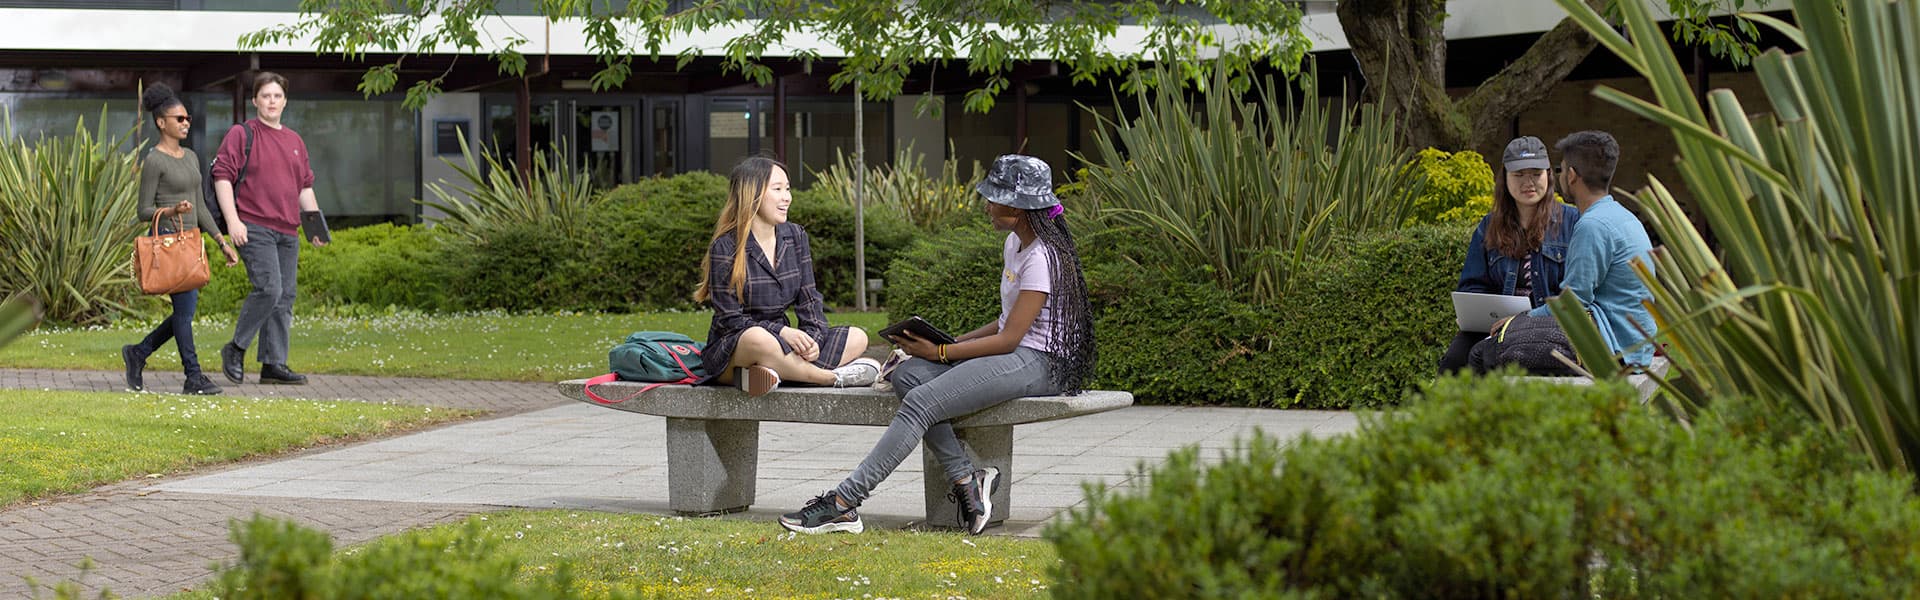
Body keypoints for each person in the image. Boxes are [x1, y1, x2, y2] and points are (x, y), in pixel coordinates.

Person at [778, 154, 1097, 536]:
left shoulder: (1043, 256)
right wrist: (943, 343)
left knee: (921, 402)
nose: (986, 205)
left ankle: (844, 503)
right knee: (910, 375)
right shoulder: (1016, 243)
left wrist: (942, 354)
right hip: (1015, 352)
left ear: (1018, 208)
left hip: (1040, 363)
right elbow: (1004, 321)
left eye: (994, 199)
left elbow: (1011, 338)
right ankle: (967, 482)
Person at [1470, 130, 1657, 373]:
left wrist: (1518, 321)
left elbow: (1572, 305)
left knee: (1482, 353)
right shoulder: (1621, 216)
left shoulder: (1592, 225)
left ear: (1570, 176)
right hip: (1632, 343)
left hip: (1615, 347)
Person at [695, 156, 880, 396]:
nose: (787, 197)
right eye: (778, 189)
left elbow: (809, 299)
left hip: (784, 346)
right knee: (758, 339)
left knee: (857, 337)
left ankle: (770, 374)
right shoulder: (725, 247)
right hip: (738, 345)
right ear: (753, 194)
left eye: (788, 189)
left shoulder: (795, 236)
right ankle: (827, 378)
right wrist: (781, 332)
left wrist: (812, 339)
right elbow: (730, 320)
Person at [121, 83, 240, 395]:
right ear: (162, 123)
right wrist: (172, 209)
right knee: (184, 313)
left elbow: (200, 205)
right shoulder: (155, 161)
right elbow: (143, 211)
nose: (186, 122)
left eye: (187, 118)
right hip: (169, 241)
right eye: (180, 119)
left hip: (191, 242)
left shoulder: (190, 157)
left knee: (183, 314)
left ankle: (138, 353)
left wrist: (221, 241)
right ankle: (193, 376)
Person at [213, 71, 328, 386]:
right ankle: (235, 349)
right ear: (255, 101)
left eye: (277, 96)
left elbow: (304, 187)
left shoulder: (294, 141)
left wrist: (315, 225)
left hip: (288, 230)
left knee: (285, 296)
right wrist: (233, 220)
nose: (272, 101)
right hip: (254, 225)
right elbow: (222, 176)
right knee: (270, 288)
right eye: (266, 96)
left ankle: (273, 364)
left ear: (285, 101)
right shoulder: (243, 134)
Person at [1438, 136, 1580, 373]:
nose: (1529, 182)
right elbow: (1472, 285)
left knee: (1493, 358)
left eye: (1536, 173)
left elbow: (1578, 290)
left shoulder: (1572, 223)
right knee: (1453, 362)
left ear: (1548, 176)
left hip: (1546, 327)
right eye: (1518, 174)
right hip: (1496, 325)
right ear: (1504, 178)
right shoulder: (1488, 226)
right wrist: (1482, 310)